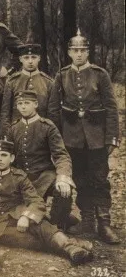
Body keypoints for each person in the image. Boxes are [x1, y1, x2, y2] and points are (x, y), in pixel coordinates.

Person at [0, 140, 94, 266]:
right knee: (33, 240)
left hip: (15, 218)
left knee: (41, 224)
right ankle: (72, 245)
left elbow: (36, 200)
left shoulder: (19, 176)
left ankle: (71, 249)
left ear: (11, 158)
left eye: (4, 155)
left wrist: (25, 216)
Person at [48, 30, 121, 244]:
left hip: (97, 138)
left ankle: (104, 223)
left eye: (82, 50)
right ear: (69, 52)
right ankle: (87, 220)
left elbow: (111, 107)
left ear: (88, 52)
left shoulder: (100, 74)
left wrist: (111, 138)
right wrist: (57, 139)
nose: (79, 54)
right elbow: (53, 110)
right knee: (79, 179)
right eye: (75, 50)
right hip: (71, 139)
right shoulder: (61, 76)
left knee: (99, 179)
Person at [7, 90, 76, 231]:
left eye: (27, 103)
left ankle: (57, 223)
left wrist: (63, 177)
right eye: (20, 104)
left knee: (63, 190)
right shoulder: (13, 128)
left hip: (45, 175)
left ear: (36, 104)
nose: (23, 107)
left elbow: (61, 155)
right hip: (22, 178)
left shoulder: (47, 126)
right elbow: (9, 157)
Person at [0, 43, 53, 137]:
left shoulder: (48, 82)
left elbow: (52, 114)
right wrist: (6, 135)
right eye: (26, 57)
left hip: (40, 134)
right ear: (20, 59)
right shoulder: (12, 81)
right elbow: (5, 113)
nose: (30, 61)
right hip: (16, 133)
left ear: (39, 58)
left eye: (33, 57)